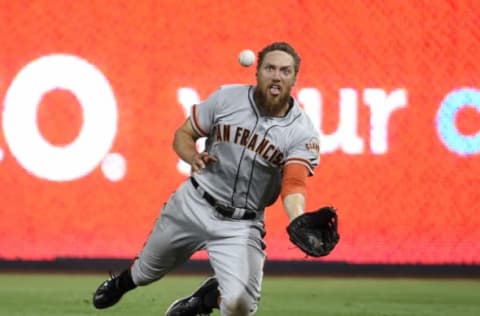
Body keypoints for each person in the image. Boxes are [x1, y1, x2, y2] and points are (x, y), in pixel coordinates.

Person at [92, 41, 320, 316]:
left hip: (241, 225)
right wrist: (192, 156)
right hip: (194, 204)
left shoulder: (301, 131)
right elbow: (183, 135)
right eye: (270, 68)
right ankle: (122, 283)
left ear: (294, 78)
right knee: (146, 272)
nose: (276, 75)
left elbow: (294, 182)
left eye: (285, 71)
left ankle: (205, 300)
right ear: (257, 72)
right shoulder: (227, 99)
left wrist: (297, 218)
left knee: (240, 307)